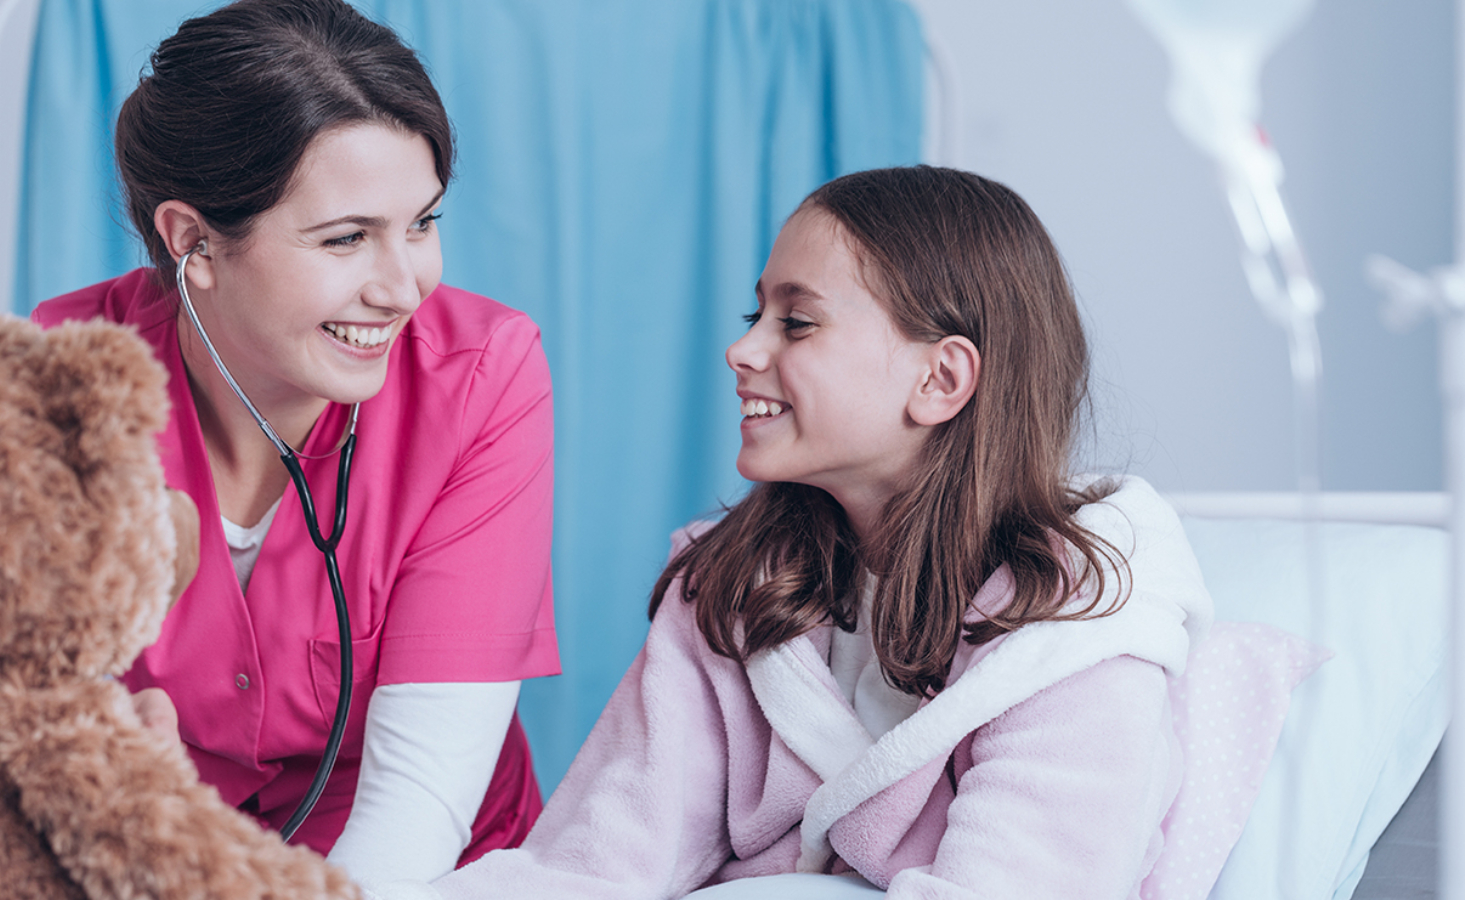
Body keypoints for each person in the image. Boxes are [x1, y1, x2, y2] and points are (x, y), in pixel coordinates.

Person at [382, 166, 1214, 899]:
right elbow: (596, 865)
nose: (741, 350)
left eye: (797, 323)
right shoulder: (735, 590)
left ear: (941, 377)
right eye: (757, 314)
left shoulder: (1076, 630)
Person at [30, 1, 559, 896]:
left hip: (422, 868)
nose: (403, 288)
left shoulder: (482, 378)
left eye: (422, 224)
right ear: (193, 242)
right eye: (348, 238)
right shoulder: (57, 385)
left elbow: (418, 798)